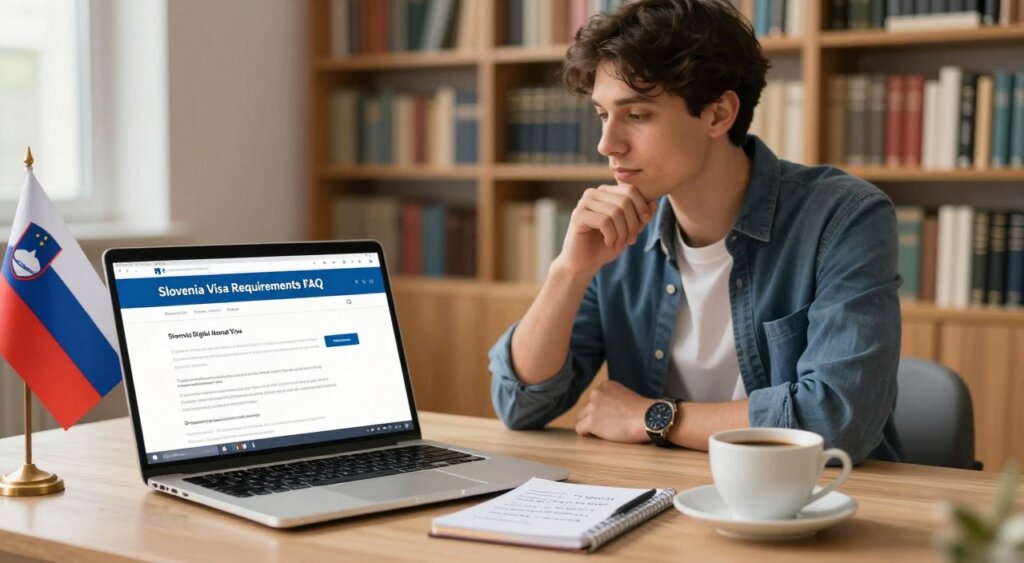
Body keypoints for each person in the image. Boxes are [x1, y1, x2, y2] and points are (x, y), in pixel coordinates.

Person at [488, 0, 903, 463]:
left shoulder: (843, 218)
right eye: (602, 115)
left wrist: (653, 417)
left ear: (718, 114)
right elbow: (520, 404)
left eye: (637, 115)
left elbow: (836, 419)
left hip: (813, 504)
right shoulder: (616, 231)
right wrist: (569, 271)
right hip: (662, 497)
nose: (607, 144)